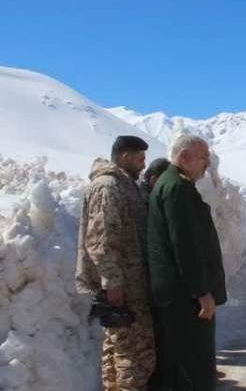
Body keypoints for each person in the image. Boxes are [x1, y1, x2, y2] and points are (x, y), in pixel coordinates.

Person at [75, 135, 156, 390]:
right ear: (125, 156)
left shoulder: (125, 185)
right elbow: (101, 239)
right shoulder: (108, 186)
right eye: (140, 158)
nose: (144, 165)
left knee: (118, 345)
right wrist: (112, 282)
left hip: (126, 281)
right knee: (136, 352)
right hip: (123, 284)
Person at [147, 134, 226, 390]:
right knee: (192, 363)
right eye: (203, 157)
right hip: (184, 298)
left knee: (179, 362)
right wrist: (201, 292)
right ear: (184, 157)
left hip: (177, 294)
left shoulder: (174, 184)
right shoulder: (177, 188)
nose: (207, 163)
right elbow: (185, 246)